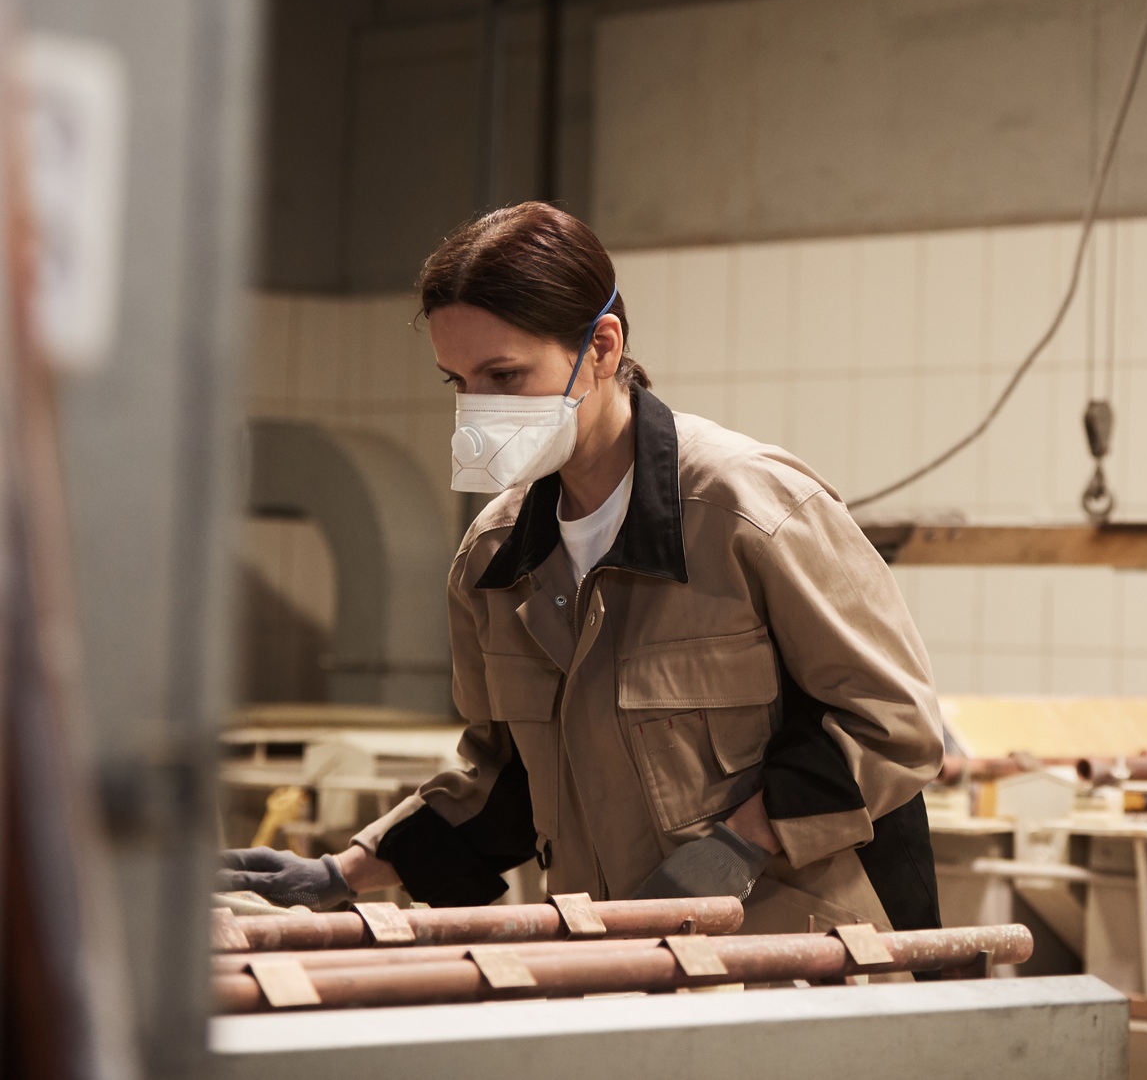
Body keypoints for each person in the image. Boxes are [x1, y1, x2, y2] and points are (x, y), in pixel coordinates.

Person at [219, 203, 945, 935]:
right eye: (459, 381)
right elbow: (508, 778)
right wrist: (344, 872)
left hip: (801, 966)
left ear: (601, 346)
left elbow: (893, 722)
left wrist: (741, 843)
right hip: (617, 959)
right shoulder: (495, 558)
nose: (479, 410)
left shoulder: (749, 509)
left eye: (505, 374)